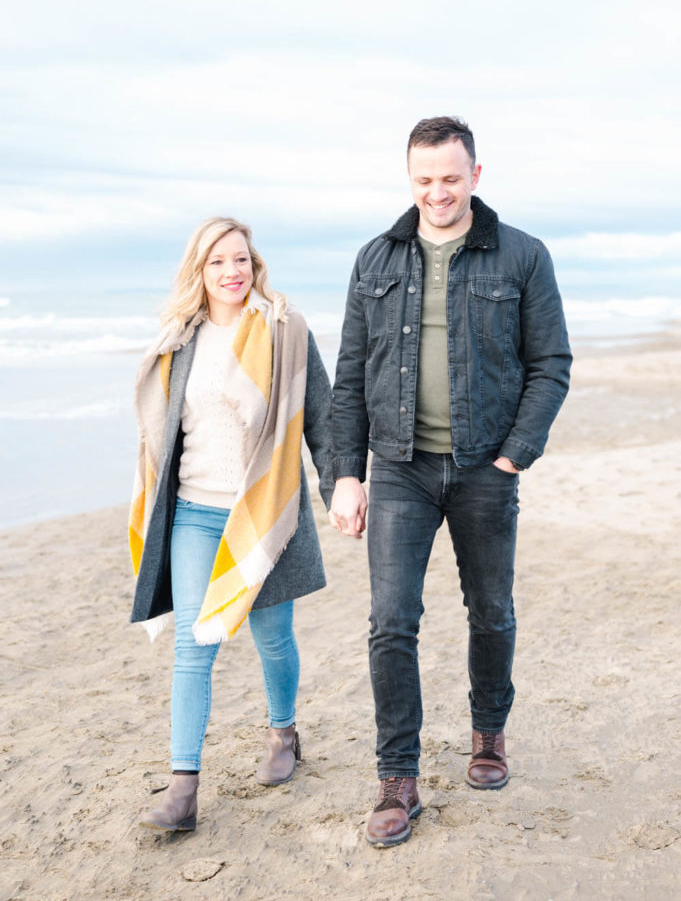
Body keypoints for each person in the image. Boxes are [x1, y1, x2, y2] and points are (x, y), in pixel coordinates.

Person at [329, 116, 571, 847]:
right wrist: (346, 474)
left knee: (489, 611)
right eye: (423, 180)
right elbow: (347, 379)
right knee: (390, 621)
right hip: (398, 470)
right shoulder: (374, 258)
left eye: (450, 178)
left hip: (482, 469)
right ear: (411, 180)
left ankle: (487, 736)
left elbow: (550, 363)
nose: (437, 192)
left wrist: (512, 456)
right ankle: (396, 779)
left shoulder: (522, 256)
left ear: (475, 176)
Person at [128, 216, 333, 832]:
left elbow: (318, 410)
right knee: (195, 647)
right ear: (200, 270)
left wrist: (339, 483)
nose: (232, 272)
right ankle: (183, 787)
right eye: (217, 262)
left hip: (263, 511)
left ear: (254, 264)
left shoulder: (283, 329)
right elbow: (159, 432)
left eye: (240, 259)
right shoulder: (179, 339)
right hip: (193, 510)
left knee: (272, 637)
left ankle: (283, 733)